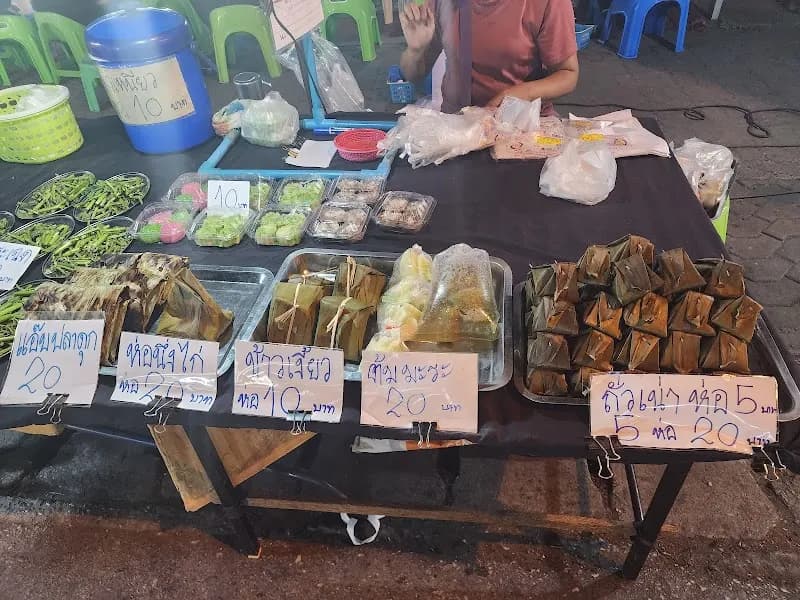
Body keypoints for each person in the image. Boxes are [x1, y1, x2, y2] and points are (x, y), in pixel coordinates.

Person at [400, 0, 579, 116]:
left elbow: (568, 74)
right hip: (456, 126)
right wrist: (415, 51)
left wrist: (521, 93)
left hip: (520, 125)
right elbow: (414, 75)